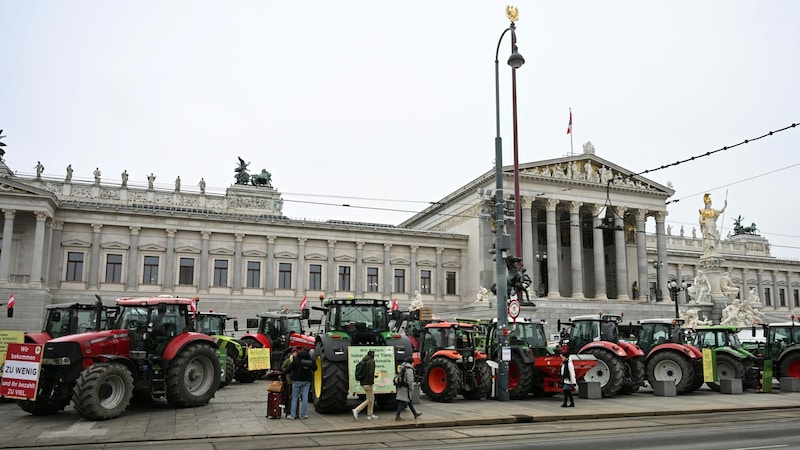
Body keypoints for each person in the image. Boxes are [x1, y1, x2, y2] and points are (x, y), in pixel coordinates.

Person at [283, 348, 315, 419]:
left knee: (295, 397)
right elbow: (315, 368)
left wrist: (282, 374)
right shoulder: (310, 360)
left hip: (297, 381)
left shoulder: (297, 360)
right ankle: (303, 414)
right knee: (305, 397)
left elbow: (289, 368)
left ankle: (293, 415)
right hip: (307, 381)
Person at [352, 350, 378, 421]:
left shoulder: (364, 360)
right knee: (369, 399)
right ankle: (356, 410)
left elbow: (366, 372)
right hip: (368, 383)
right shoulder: (371, 361)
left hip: (363, 382)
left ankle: (370, 415)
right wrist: (371, 382)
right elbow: (370, 372)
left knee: (372, 398)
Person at [395, 357, 421, 421]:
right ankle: (397, 416)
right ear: (411, 362)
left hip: (402, 387)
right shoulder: (409, 369)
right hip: (406, 388)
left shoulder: (403, 367)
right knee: (403, 401)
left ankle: (415, 413)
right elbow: (410, 380)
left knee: (409, 401)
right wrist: (411, 388)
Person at [280, 347, 298, 418]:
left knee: (294, 396)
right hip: (289, 380)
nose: (295, 354)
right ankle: (288, 411)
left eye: (296, 352)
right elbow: (283, 367)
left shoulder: (297, 360)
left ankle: (293, 411)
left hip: (295, 380)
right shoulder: (288, 360)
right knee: (288, 396)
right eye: (294, 352)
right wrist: (288, 372)